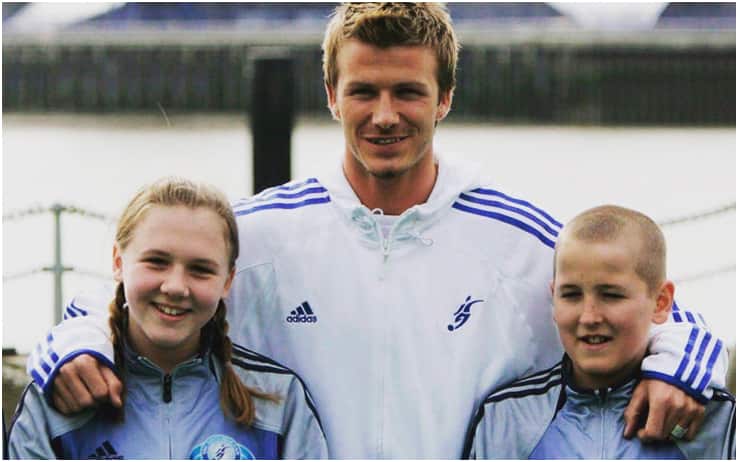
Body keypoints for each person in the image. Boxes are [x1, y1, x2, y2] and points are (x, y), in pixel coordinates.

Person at [26, 3, 726, 458]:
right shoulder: (261, 232)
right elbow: (134, 295)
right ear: (332, 95)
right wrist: (72, 345)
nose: (384, 115)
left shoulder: (519, 239)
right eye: (363, 91)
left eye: (408, 92)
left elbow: (650, 309)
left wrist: (679, 369)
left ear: (444, 98)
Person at [9, 178, 327, 459]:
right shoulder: (61, 396)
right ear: (118, 262)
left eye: (200, 269)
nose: (175, 287)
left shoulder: (279, 400)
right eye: (156, 262)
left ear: (228, 281)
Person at [465, 205, 735, 459]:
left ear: (661, 302)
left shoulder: (714, 417)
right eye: (571, 295)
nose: (589, 317)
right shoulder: (506, 417)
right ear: (553, 297)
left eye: (611, 295)